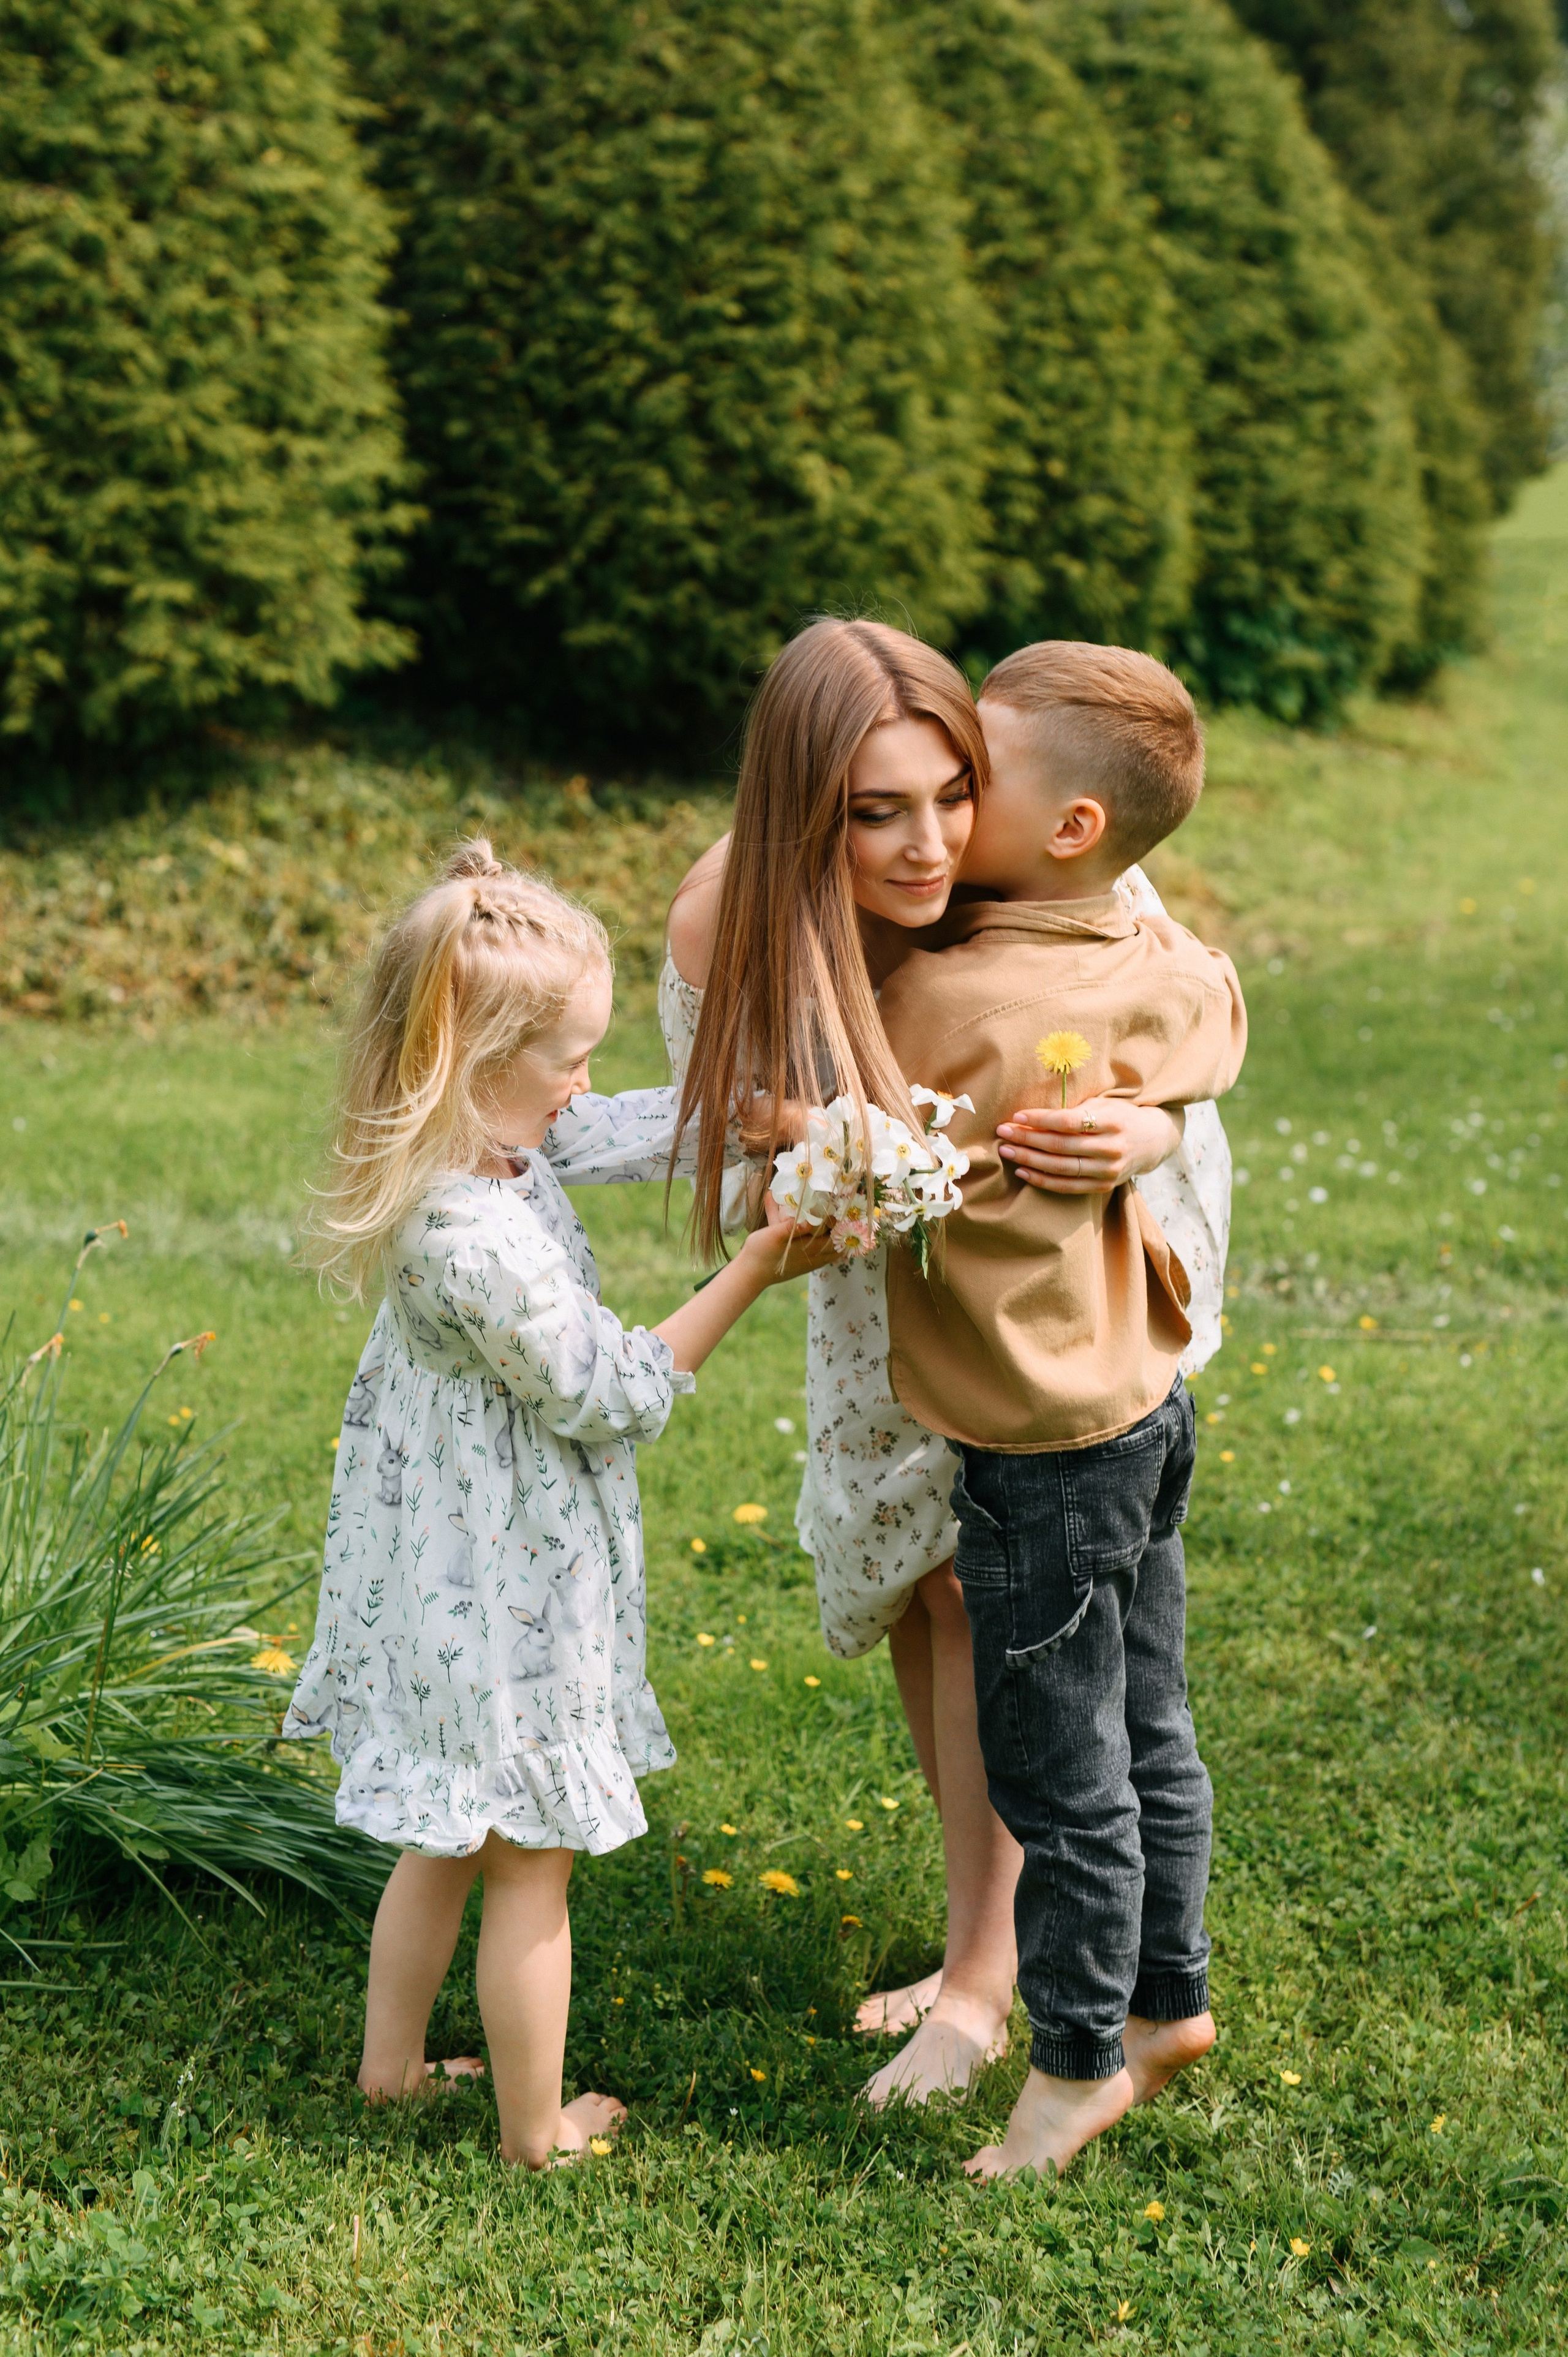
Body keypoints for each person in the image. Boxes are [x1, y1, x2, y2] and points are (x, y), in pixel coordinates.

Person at [662, 618, 1223, 2104]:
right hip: (876, 1271)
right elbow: (747, 1170)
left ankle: (986, 1981)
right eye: (875, 812)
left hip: (1058, 1257)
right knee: (925, 1586)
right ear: (804, 812)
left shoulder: (1033, 856)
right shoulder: (730, 924)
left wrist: (1143, 1128)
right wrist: (822, 1158)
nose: (928, 845)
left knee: (991, 1586)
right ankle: (983, 1935)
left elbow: (1174, 1021)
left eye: (951, 793)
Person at [285, 842, 831, 2168]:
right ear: (476, 1061)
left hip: (448, 1561)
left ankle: (390, 2071)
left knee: (450, 1834)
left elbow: (608, 1130)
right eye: (569, 1058)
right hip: (505, 1581)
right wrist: (758, 1265)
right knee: (529, 1852)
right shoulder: (467, 1235)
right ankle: (538, 2132)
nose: (584, 1082)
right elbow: (609, 1389)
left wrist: (748, 1124)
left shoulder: (482, 1143)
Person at [874, 642, 1247, 2179]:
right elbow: (1220, 1008)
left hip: (1034, 1443)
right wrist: (1155, 1110)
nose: (951, 797)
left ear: (1070, 825)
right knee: (1150, 1723)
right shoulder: (1151, 958)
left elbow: (843, 1120)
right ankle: (1169, 1999)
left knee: (1058, 1772)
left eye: (978, 774)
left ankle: (1075, 2060)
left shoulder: (942, 995)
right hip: (1142, 1401)